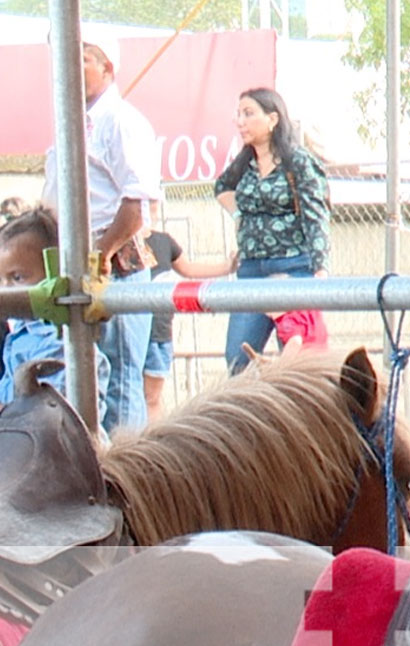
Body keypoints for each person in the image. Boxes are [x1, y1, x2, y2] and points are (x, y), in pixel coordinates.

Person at [40, 37, 161, 433]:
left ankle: (122, 481)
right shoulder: (74, 125)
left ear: (107, 68)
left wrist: (103, 251)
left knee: (121, 379)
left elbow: (137, 202)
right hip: (79, 261)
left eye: (84, 59)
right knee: (92, 379)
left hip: (113, 265)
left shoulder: (119, 121)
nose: (72, 68)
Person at [213, 87, 330, 374]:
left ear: (273, 119)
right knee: (237, 358)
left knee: (297, 359)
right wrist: (239, 215)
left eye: (249, 114)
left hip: (293, 269)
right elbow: (220, 188)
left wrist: (320, 268)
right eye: (238, 115)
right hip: (251, 270)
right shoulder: (244, 164)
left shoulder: (298, 161)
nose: (240, 121)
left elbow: (317, 215)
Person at [0, 209, 110, 414]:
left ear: (56, 274)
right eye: (0, 281)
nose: (5, 290)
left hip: (58, 443)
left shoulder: (59, 341)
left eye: (17, 278)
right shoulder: (21, 335)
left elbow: (51, 414)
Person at [143, 213, 235, 421]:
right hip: (131, 330)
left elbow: (189, 269)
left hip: (159, 331)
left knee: (151, 397)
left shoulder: (164, 241)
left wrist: (228, 266)